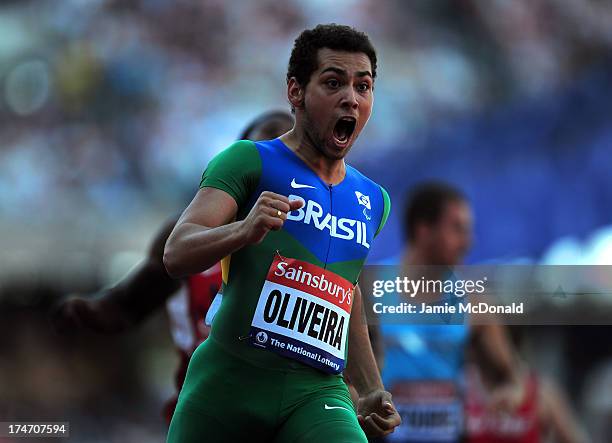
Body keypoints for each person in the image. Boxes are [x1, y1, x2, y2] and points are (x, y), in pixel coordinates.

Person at [163, 24, 400, 442]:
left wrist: (370, 385)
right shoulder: (248, 161)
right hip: (228, 384)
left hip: (316, 393)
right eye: (333, 82)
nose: (351, 97)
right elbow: (176, 253)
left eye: (363, 87)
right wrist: (243, 229)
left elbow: (347, 292)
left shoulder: (373, 200)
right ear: (295, 92)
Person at [51, 110, 295, 423]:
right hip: (204, 414)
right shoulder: (186, 237)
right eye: (264, 148)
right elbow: (127, 306)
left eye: (289, 154)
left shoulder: (327, 247)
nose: (277, 155)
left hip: (285, 416)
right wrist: (91, 310)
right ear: (235, 166)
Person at [374, 182, 519, 443]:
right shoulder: (370, 290)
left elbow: (512, 377)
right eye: (457, 229)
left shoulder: (474, 301)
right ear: (423, 230)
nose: (468, 242)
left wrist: (507, 394)